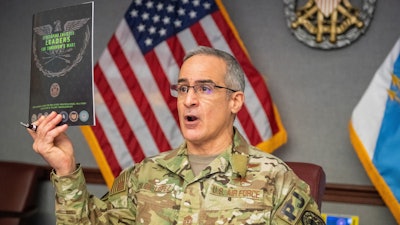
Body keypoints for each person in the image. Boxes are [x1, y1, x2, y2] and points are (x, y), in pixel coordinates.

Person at [27, 46, 325, 224]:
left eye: (204, 88)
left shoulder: (276, 180)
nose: (189, 100)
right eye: (183, 88)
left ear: (235, 101)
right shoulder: (146, 174)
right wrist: (65, 169)